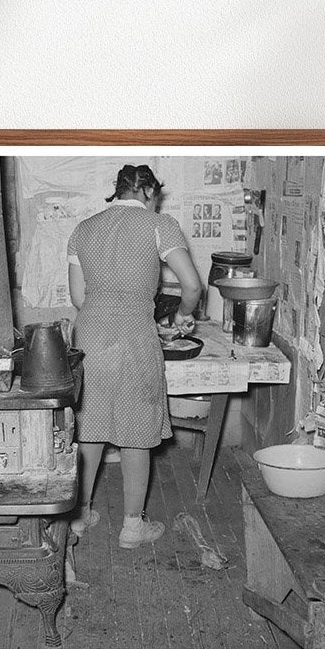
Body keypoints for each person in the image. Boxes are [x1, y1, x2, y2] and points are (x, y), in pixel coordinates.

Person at [66, 164, 201, 548]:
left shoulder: (83, 229)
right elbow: (192, 285)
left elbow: (78, 298)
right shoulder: (160, 225)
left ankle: (80, 517)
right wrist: (183, 315)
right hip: (134, 338)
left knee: (89, 428)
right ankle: (131, 527)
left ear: (119, 190)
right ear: (149, 192)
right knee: (136, 432)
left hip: (89, 336)